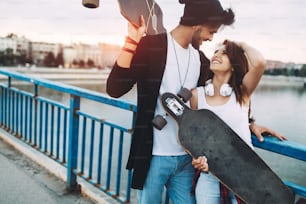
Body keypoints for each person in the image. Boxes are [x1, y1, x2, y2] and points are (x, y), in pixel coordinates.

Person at [106, 0, 284, 203]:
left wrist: (250, 122)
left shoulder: (201, 61)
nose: (210, 38)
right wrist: (131, 42)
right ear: (198, 25)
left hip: (188, 160)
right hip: (153, 155)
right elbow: (115, 89)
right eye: (212, 31)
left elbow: (224, 96)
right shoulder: (152, 46)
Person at [189, 40, 285, 203]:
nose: (216, 55)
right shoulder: (196, 96)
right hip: (210, 174)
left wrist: (238, 44)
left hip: (244, 175)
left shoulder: (243, 92)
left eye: (224, 53)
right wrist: (196, 159)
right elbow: (194, 136)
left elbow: (259, 62)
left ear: (234, 65)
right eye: (216, 51)